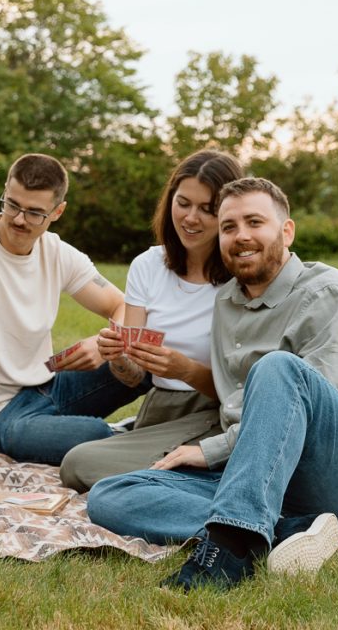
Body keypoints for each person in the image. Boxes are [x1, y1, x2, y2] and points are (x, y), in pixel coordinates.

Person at [87, 177, 338, 590]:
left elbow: (323, 406)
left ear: (286, 231)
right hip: (246, 472)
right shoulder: (225, 301)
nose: (241, 236)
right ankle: (289, 530)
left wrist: (211, 450)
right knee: (110, 494)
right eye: (229, 227)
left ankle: (229, 551)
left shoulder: (328, 292)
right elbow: (230, 401)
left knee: (277, 367)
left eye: (254, 222)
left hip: (319, 469)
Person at [0, 152, 148, 473]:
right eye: (12, 205)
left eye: (34, 213)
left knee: (144, 358)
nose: (19, 219)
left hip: (50, 385)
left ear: (57, 211)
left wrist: (105, 345)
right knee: (94, 435)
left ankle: (153, 434)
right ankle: (130, 440)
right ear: (5, 191)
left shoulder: (57, 252)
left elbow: (122, 305)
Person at [60, 150, 243, 491]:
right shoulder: (148, 265)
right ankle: (186, 476)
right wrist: (118, 357)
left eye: (207, 209)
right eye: (183, 203)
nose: (191, 218)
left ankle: (195, 474)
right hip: (159, 408)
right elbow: (134, 377)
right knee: (77, 463)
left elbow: (243, 389)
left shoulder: (240, 276)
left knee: (80, 464)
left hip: (218, 412)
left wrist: (186, 370)